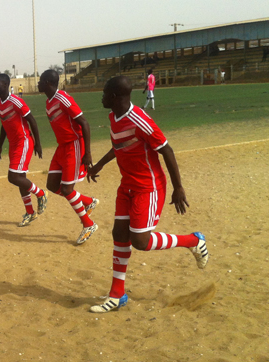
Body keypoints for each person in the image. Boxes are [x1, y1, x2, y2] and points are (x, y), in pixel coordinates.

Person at [86, 76, 209, 313]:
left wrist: (178, 187)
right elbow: (119, 145)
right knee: (119, 234)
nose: (101, 96)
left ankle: (194, 241)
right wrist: (99, 165)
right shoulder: (113, 117)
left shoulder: (140, 120)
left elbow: (167, 150)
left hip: (148, 187)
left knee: (140, 241)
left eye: (104, 93)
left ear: (114, 97)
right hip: (127, 186)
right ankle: (117, 294)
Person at [38, 69, 99, 244]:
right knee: (51, 185)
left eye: (41, 81)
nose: (39, 84)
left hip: (74, 145)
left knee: (66, 189)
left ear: (49, 82)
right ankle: (88, 201)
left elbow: (84, 123)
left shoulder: (63, 99)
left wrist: (87, 152)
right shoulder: (49, 101)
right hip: (62, 147)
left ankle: (88, 224)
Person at [0, 73, 46, 227]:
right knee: (20, 179)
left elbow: (32, 121)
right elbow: (4, 125)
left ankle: (41, 193)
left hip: (24, 141)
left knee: (13, 177)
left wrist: (38, 143)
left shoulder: (16, 101)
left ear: (5, 85)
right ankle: (30, 213)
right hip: (13, 144)